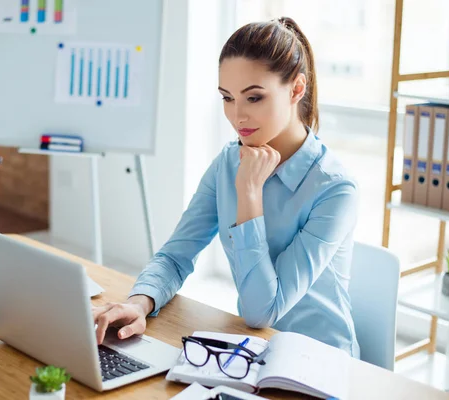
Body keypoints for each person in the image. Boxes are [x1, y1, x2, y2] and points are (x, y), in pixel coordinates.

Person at [92, 17, 360, 358]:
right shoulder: (229, 162)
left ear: (296, 90)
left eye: (254, 98)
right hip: (257, 352)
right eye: (227, 98)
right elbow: (176, 256)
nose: (237, 117)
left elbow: (262, 311)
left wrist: (250, 195)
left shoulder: (335, 189)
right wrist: (140, 302)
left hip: (322, 363)